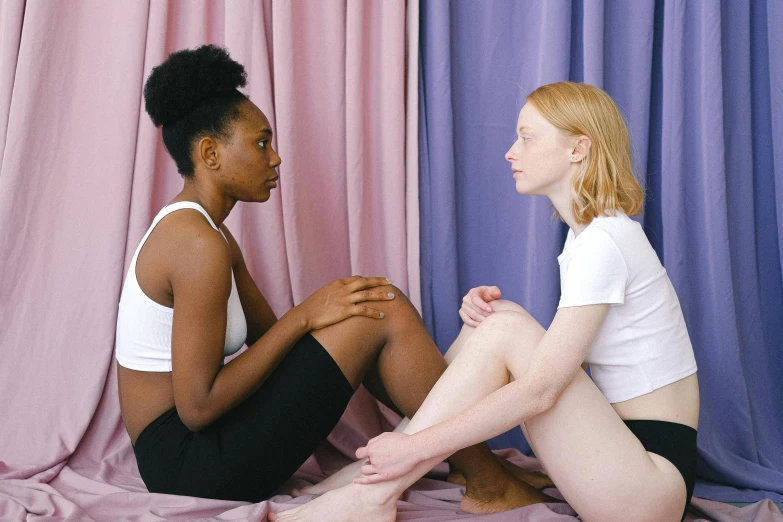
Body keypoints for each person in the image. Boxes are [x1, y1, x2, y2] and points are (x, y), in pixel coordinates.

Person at [114, 44, 552, 511]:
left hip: (208, 443)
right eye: (261, 143)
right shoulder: (194, 244)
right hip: (190, 466)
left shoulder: (212, 234)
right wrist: (310, 315)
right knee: (379, 312)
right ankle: (485, 479)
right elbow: (197, 408)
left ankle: (473, 464)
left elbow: (274, 343)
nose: (276, 158)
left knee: (377, 304)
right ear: (210, 153)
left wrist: (339, 312)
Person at [270, 81, 700, 522]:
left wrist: (416, 448)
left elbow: (542, 390)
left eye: (527, 137)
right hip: (628, 465)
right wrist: (490, 326)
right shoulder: (591, 239)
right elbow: (581, 361)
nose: (511, 152)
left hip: (649, 488)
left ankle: (377, 489)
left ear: (578, 149)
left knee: (506, 328)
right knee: (500, 317)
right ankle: (371, 476)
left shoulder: (604, 243)